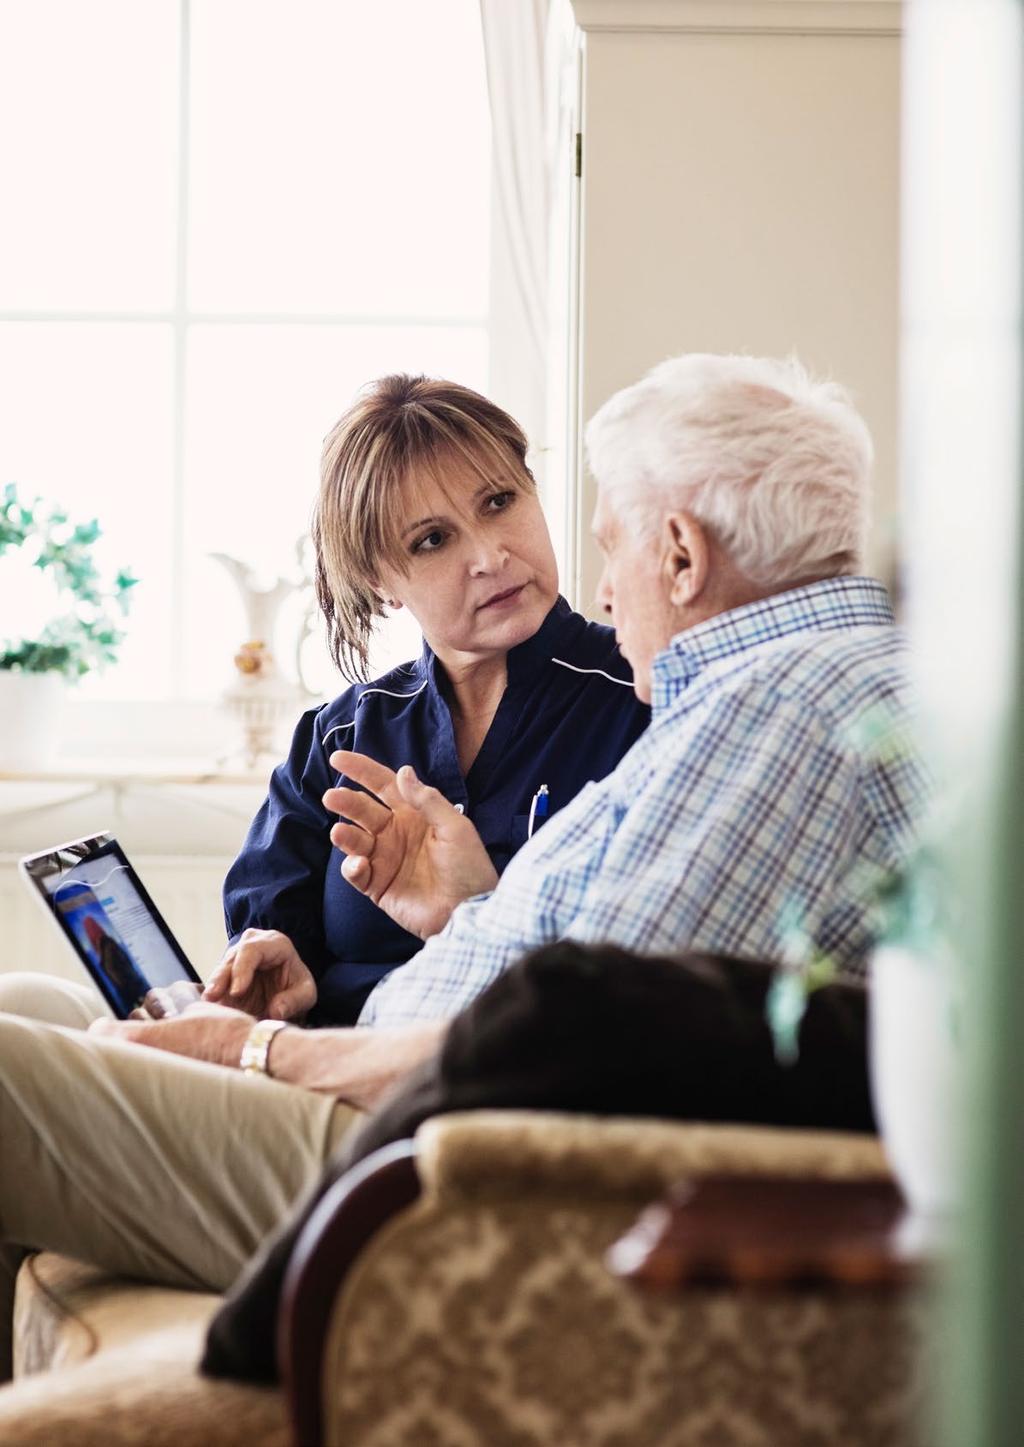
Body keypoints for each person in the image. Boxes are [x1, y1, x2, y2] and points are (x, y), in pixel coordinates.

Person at [0, 353, 927, 1383]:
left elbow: (589, 1028)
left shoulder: (760, 711)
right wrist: (444, 924)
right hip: (410, 1111)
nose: (603, 590)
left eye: (604, 540)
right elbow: (601, 988)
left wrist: (264, 1052)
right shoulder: (745, 700)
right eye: (433, 540)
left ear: (677, 554)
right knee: (25, 997)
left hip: (431, 1163)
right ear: (382, 578)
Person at [215, 373, 649, 1024]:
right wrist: (279, 962)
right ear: (380, 581)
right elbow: (267, 927)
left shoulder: (643, 699)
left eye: (500, 501)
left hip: (499, 1092)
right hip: (319, 1073)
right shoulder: (339, 738)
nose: (489, 555)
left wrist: (481, 910)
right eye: (432, 539)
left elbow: (656, 981)